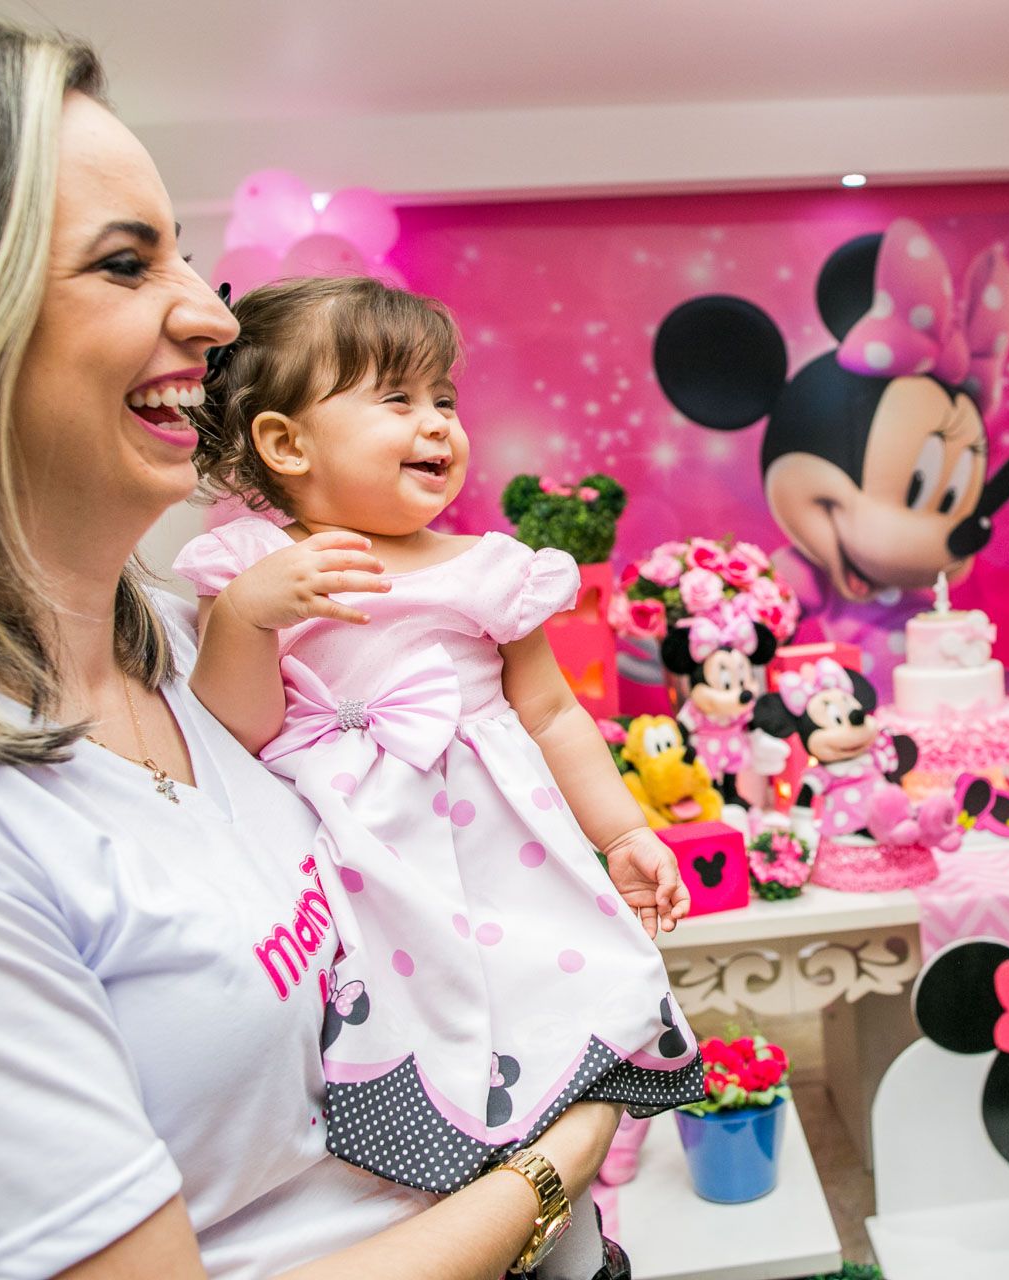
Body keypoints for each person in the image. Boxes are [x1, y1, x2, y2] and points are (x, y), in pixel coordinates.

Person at [0, 15, 673, 1279]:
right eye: (123, 264)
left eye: (188, 256)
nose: (213, 319)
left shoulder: (194, 642)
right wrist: (556, 1158)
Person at [171, 274, 702, 1278]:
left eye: (445, 399)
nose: (437, 424)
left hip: (498, 852)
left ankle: (573, 1197)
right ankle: (442, 1184)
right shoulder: (252, 564)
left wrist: (624, 828)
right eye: (397, 398)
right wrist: (248, 616)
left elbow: (550, 711)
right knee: (403, 1033)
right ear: (288, 444)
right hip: (359, 861)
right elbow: (233, 731)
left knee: (546, 998)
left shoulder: (489, 565)